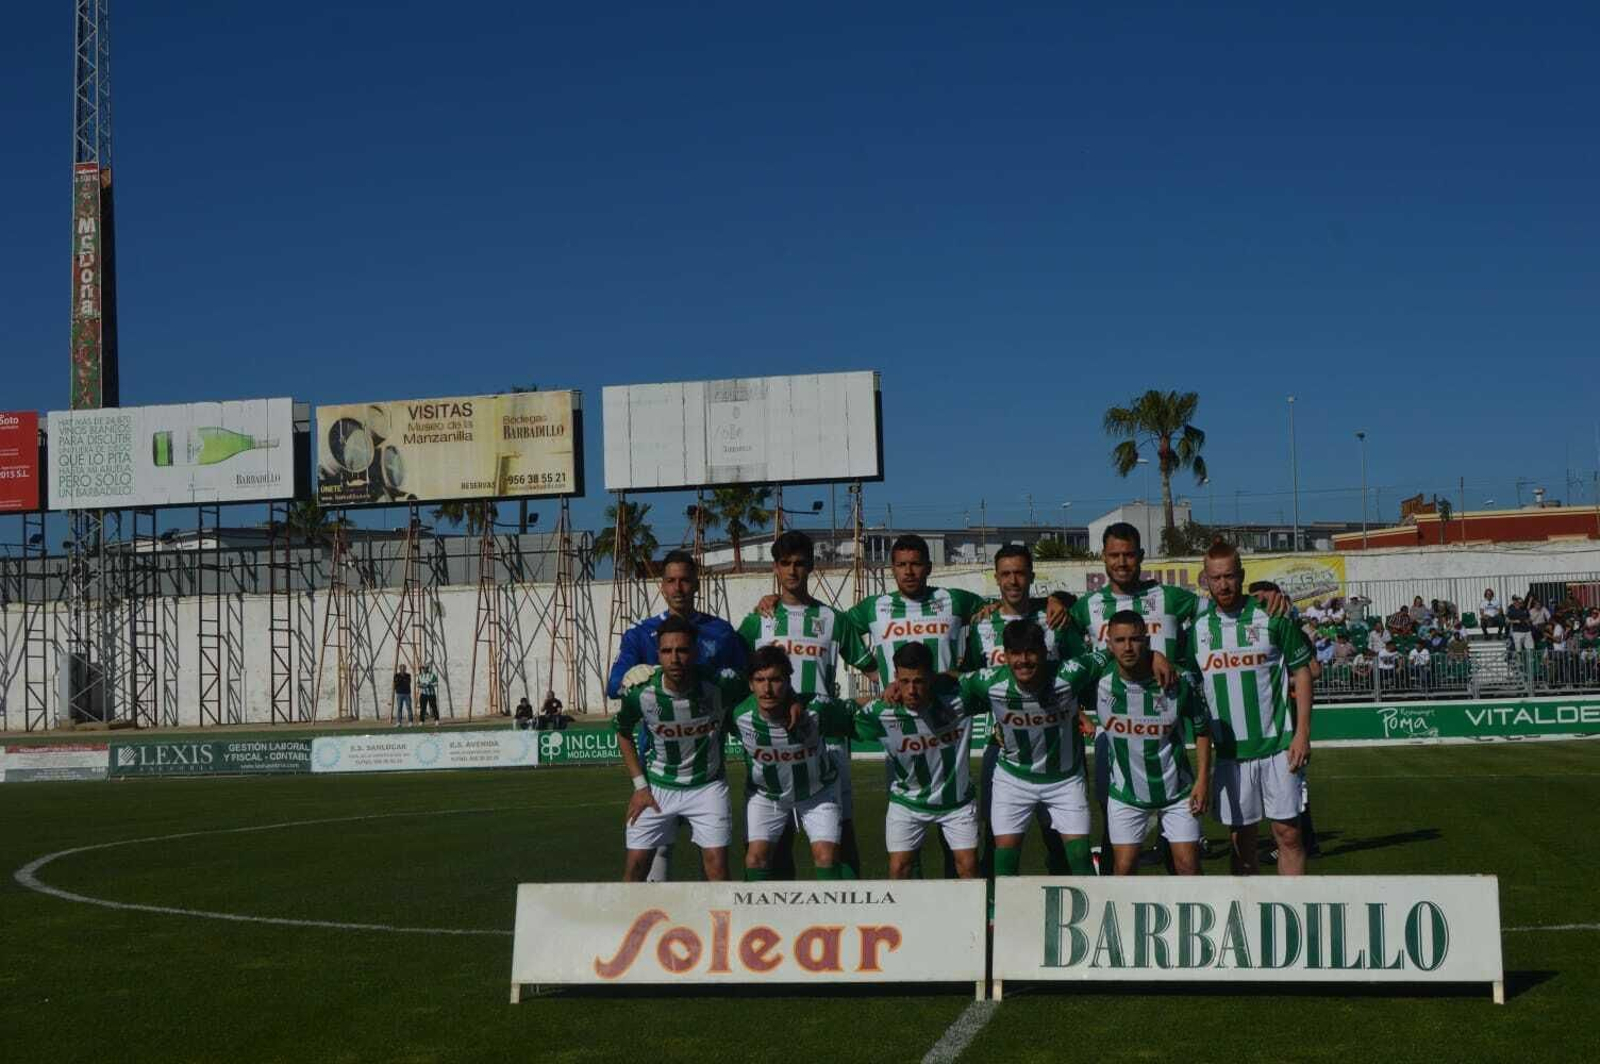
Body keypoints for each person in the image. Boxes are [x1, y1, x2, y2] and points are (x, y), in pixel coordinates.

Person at [607, 550, 747, 883]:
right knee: (657, 854)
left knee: (713, 861)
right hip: (657, 765)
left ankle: (711, 930)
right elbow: (615, 686)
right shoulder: (641, 634)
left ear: (697, 583)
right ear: (661, 587)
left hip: (705, 762)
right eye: (671, 581)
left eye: (685, 579)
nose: (678, 588)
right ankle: (650, 929)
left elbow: (747, 680)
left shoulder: (721, 632)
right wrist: (633, 675)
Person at [737, 530, 867, 879]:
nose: (792, 571)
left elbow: (871, 667)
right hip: (774, 741)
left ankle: (850, 915)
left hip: (827, 741)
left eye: (799, 564)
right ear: (775, 568)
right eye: (785, 564)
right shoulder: (758, 620)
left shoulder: (833, 620)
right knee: (775, 843)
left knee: (840, 837)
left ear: (811, 567)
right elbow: (739, 678)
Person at [1191, 541, 1314, 876]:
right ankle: (1249, 917)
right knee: (1241, 841)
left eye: (1230, 576)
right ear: (1205, 579)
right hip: (1231, 753)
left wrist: (1302, 733)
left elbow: (1302, 671)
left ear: (1242, 575)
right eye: (1215, 578)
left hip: (1278, 746)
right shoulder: (1198, 628)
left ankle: (1293, 914)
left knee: (1288, 835)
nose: (1224, 584)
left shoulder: (1271, 615)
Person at [1068, 611, 1210, 876]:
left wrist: (1202, 780)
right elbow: (1057, 685)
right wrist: (1080, 715)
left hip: (1177, 791)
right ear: (1108, 644)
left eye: (1135, 639)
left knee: (1188, 867)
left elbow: (1202, 729)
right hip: (1126, 793)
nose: (1128, 647)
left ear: (1147, 641)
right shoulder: (1100, 679)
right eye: (1120, 640)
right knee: (1123, 870)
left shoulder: (1177, 680)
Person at [968, 545, 1080, 875]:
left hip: (1058, 750)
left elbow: (1079, 675)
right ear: (996, 577)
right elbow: (974, 682)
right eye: (1006, 574)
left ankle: (1060, 911)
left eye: (1020, 573)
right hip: (1006, 748)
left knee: (1059, 841)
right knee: (997, 840)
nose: (1013, 581)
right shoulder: (982, 625)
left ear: (1032, 576)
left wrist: (1062, 598)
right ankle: (993, 917)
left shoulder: (1055, 618)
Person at [957, 620, 1097, 877]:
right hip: (1013, 779)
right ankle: (998, 915)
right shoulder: (990, 683)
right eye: (1016, 653)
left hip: (1065, 780)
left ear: (1044, 652)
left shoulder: (1070, 674)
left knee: (1079, 856)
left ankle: (1092, 912)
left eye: (1031, 652)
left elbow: (1111, 656)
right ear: (1006, 656)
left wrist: (1155, 657)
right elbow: (952, 682)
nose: (1024, 660)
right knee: (1006, 857)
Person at [853, 642, 982, 880]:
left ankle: (976, 917)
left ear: (931, 677)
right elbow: (848, 711)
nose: (911, 690)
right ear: (895, 679)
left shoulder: (959, 699)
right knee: (899, 868)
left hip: (956, 802)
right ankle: (898, 918)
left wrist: (946, 676)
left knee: (968, 867)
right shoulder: (882, 712)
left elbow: (983, 677)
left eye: (919, 681)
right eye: (904, 681)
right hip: (908, 802)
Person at [729, 646, 855, 881]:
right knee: (755, 858)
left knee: (826, 857)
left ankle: (834, 917)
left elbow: (854, 712)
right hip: (767, 795)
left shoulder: (816, 709)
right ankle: (762, 918)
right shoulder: (739, 716)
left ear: (788, 681)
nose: (767, 689)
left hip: (818, 792)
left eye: (775, 680)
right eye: (760, 680)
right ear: (750, 684)